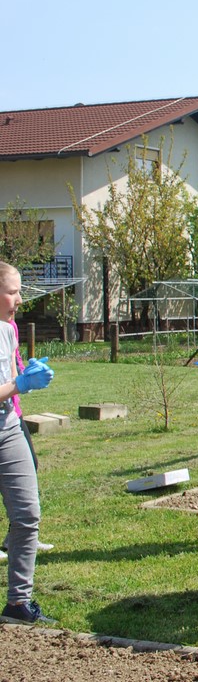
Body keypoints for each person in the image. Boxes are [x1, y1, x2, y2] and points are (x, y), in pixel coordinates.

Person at [0, 262, 56, 625]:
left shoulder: (7, 330)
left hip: (7, 428)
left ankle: (18, 604)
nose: (19, 299)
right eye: (12, 292)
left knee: (27, 514)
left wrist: (25, 376)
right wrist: (20, 384)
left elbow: (8, 380)